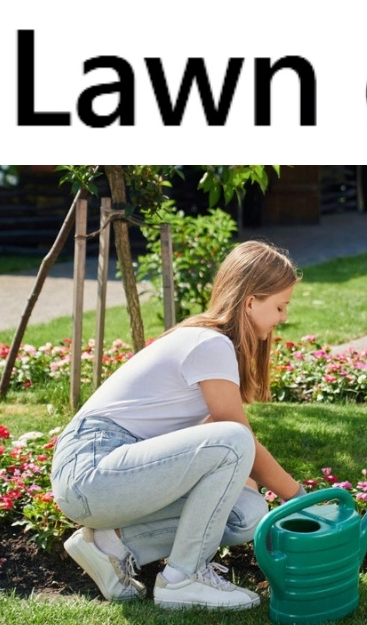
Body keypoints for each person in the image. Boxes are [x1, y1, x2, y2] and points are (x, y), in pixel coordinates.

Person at [49, 240, 306, 610]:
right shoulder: (210, 344)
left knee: (247, 514)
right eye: (280, 306)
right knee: (235, 439)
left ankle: (109, 545)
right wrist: (298, 499)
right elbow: (237, 439)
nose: (283, 317)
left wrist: (251, 491)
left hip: (111, 477)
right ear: (251, 302)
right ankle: (184, 577)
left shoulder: (214, 349)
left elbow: (215, 453)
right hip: (91, 467)